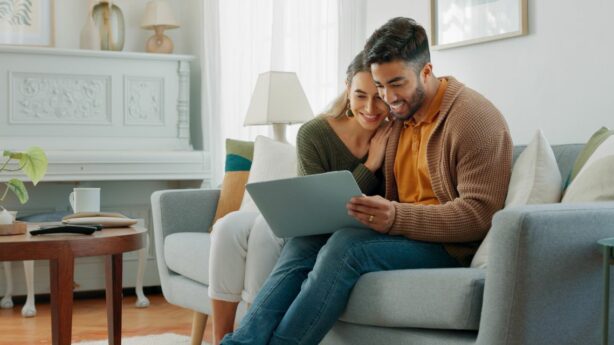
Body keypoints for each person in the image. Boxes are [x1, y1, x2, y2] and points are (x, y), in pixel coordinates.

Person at [220, 17, 513, 345]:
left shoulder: (472, 119)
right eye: (380, 86)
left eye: (396, 84)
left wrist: (396, 216)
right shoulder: (400, 117)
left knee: (348, 246)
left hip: (448, 245)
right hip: (404, 233)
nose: (388, 98)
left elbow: (478, 217)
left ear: (427, 72)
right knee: (305, 241)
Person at [209, 51, 391, 344]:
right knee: (295, 246)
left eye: (379, 97)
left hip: (364, 231)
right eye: (360, 95)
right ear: (347, 89)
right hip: (318, 229)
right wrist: (369, 167)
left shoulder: (394, 134)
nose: (371, 107)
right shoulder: (315, 133)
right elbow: (318, 212)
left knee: (303, 248)